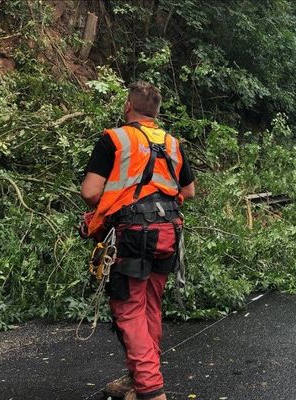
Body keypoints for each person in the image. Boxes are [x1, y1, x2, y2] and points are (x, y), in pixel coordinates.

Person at [81, 81, 195, 400]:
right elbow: (188, 192)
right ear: (156, 112)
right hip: (168, 233)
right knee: (150, 307)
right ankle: (136, 380)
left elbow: (90, 192)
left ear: (127, 107)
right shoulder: (172, 143)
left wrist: (117, 205)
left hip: (132, 235)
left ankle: (151, 390)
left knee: (129, 309)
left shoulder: (114, 138)